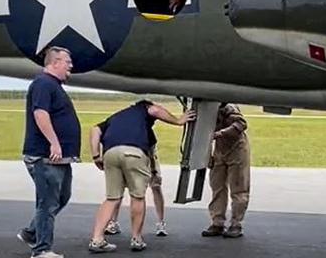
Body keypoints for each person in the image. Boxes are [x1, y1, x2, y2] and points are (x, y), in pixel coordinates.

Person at [88, 100, 195, 253]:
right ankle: (136, 238)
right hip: (134, 152)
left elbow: (94, 130)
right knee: (137, 196)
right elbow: (156, 111)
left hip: (110, 153)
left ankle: (97, 239)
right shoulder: (144, 110)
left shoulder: (115, 117)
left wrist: (96, 155)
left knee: (112, 197)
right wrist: (179, 121)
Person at [17, 46, 81, 258]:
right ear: (54, 63)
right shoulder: (43, 84)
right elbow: (41, 114)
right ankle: (42, 249)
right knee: (48, 203)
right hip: (45, 156)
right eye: (67, 62)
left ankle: (31, 233)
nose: (70, 66)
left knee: (62, 196)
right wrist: (54, 143)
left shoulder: (54, 86)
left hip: (59, 158)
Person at [104, 127, 167, 237]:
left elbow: (151, 149)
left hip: (146, 153)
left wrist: (153, 169)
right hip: (125, 154)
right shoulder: (118, 128)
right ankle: (113, 222)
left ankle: (161, 223)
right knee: (118, 189)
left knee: (156, 186)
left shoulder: (145, 129)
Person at [201, 103, 250, 238]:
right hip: (220, 149)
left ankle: (236, 224)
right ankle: (217, 222)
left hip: (236, 148)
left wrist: (220, 133)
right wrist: (208, 155)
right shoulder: (207, 109)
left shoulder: (228, 107)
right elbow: (205, 134)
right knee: (217, 186)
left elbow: (241, 124)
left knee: (238, 188)